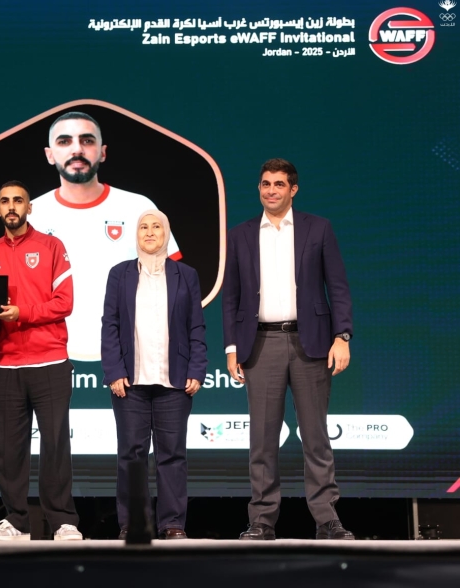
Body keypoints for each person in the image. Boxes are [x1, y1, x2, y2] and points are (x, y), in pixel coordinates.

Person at [222, 158, 354, 540]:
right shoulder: (241, 234)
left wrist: (342, 336)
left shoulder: (319, 228)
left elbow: (338, 286)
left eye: (279, 184)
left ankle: (327, 520)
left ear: (293, 189)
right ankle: (262, 521)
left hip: (311, 342)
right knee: (263, 439)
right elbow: (231, 297)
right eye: (265, 184)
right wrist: (231, 347)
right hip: (260, 344)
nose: (271, 190)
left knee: (315, 436)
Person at [30, 111, 181, 361]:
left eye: (87, 140)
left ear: (102, 152)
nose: (77, 149)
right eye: (64, 141)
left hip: (132, 353)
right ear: (49, 154)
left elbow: (173, 282)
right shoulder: (32, 214)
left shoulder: (139, 207)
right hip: (51, 354)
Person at [0, 181, 82, 541]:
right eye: (5, 201)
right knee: (8, 450)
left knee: (55, 444)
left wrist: (21, 312)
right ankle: (17, 522)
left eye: (18, 200)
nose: (12, 206)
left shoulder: (52, 246)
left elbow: (63, 303)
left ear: (29, 207)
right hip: (7, 362)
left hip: (50, 360)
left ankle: (63, 521)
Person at [101, 210, 207, 540]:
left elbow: (196, 326)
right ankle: (134, 522)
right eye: (143, 227)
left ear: (166, 233)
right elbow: (110, 325)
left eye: (156, 226)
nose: (149, 232)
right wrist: (114, 371)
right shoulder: (119, 274)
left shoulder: (186, 275)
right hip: (130, 383)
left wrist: (196, 369)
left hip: (174, 382)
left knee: (172, 455)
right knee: (131, 455)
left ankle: (172, 524)